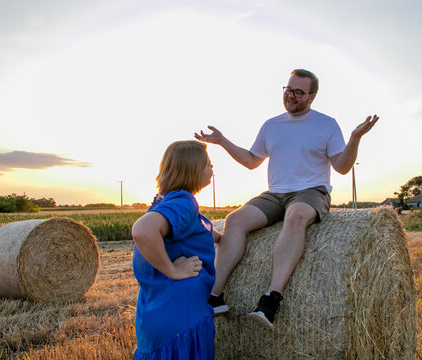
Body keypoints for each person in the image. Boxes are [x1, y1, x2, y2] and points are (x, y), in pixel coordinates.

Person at [195, 68, 378, 329]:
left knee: (295, 216)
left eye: (298, 92)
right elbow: (251, 160)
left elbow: (342, 166)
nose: (291, 96)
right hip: (275, 193)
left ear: (312, 96)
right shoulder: (271, 125)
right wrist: (223, 141)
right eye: (288, 90)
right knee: (235, 219)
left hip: (311, 191)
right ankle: (215, 295)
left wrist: (355, 138)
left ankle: (271, 299)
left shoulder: (326, 124)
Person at [131, 140, 221, 360]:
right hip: (181, 317)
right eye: (208, 164)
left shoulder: (166, 201)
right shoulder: (184, 202)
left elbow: (197, 230)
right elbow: (143, 230)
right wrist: (172, 269)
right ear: (192, 168)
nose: (212, 168)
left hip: (157, 313)